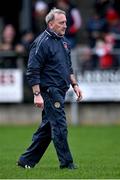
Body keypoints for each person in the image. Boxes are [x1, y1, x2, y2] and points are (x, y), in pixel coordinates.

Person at [17, 8, 82, 170]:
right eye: (61, 23)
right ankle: (67, 164)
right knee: (60, 126)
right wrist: (37, 94)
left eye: (66, 22)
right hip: (49, 91)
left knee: (47, 129)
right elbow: (32, 70)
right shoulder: (41, 42)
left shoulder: (64, 42)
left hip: (60, 90)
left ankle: (26, 160)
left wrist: (75, 85)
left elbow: (68, 67)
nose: (65, 25)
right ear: (51, 24)